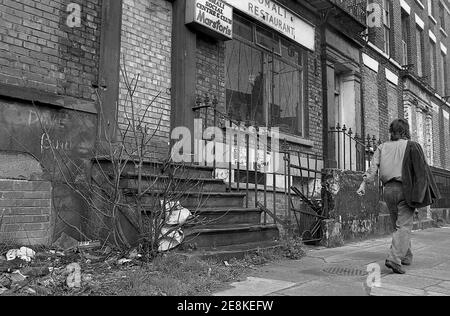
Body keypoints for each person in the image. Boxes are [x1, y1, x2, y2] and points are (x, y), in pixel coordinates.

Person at [357, 119, 440, 274]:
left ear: (392, 131)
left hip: (388, 190)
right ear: (405, 131)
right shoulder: (411, 145)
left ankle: (406, 256)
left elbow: (372, 168)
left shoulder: (382, 147)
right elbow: (422, 170)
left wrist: (363, 184)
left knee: (399, 225)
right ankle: (394, 259)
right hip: (405, 190)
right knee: (404, 226)